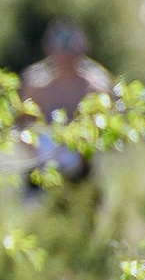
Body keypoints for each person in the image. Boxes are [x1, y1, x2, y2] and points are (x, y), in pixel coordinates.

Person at [18, 20, 115, 185]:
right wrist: (38, 153)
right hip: (42, 168)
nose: (66, 58)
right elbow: (21, 126)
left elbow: (111, 127)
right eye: (61, 51)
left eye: (70, 51)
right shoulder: (36, 85)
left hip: (81, 168)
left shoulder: (96, 86)